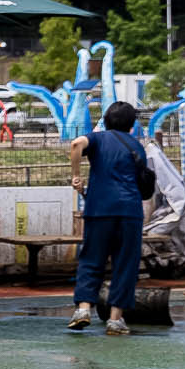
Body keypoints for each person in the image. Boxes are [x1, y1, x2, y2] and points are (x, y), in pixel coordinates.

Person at [68, 100, 148, 336]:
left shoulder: (98, 139)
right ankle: (115, 320)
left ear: (105, 120)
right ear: (132, 125)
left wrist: (76, 176)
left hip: (99, 209)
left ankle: (83, 309)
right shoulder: (137, 146)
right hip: (130, 211)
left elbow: (75, 144)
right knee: (126, 265)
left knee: (92, 258)